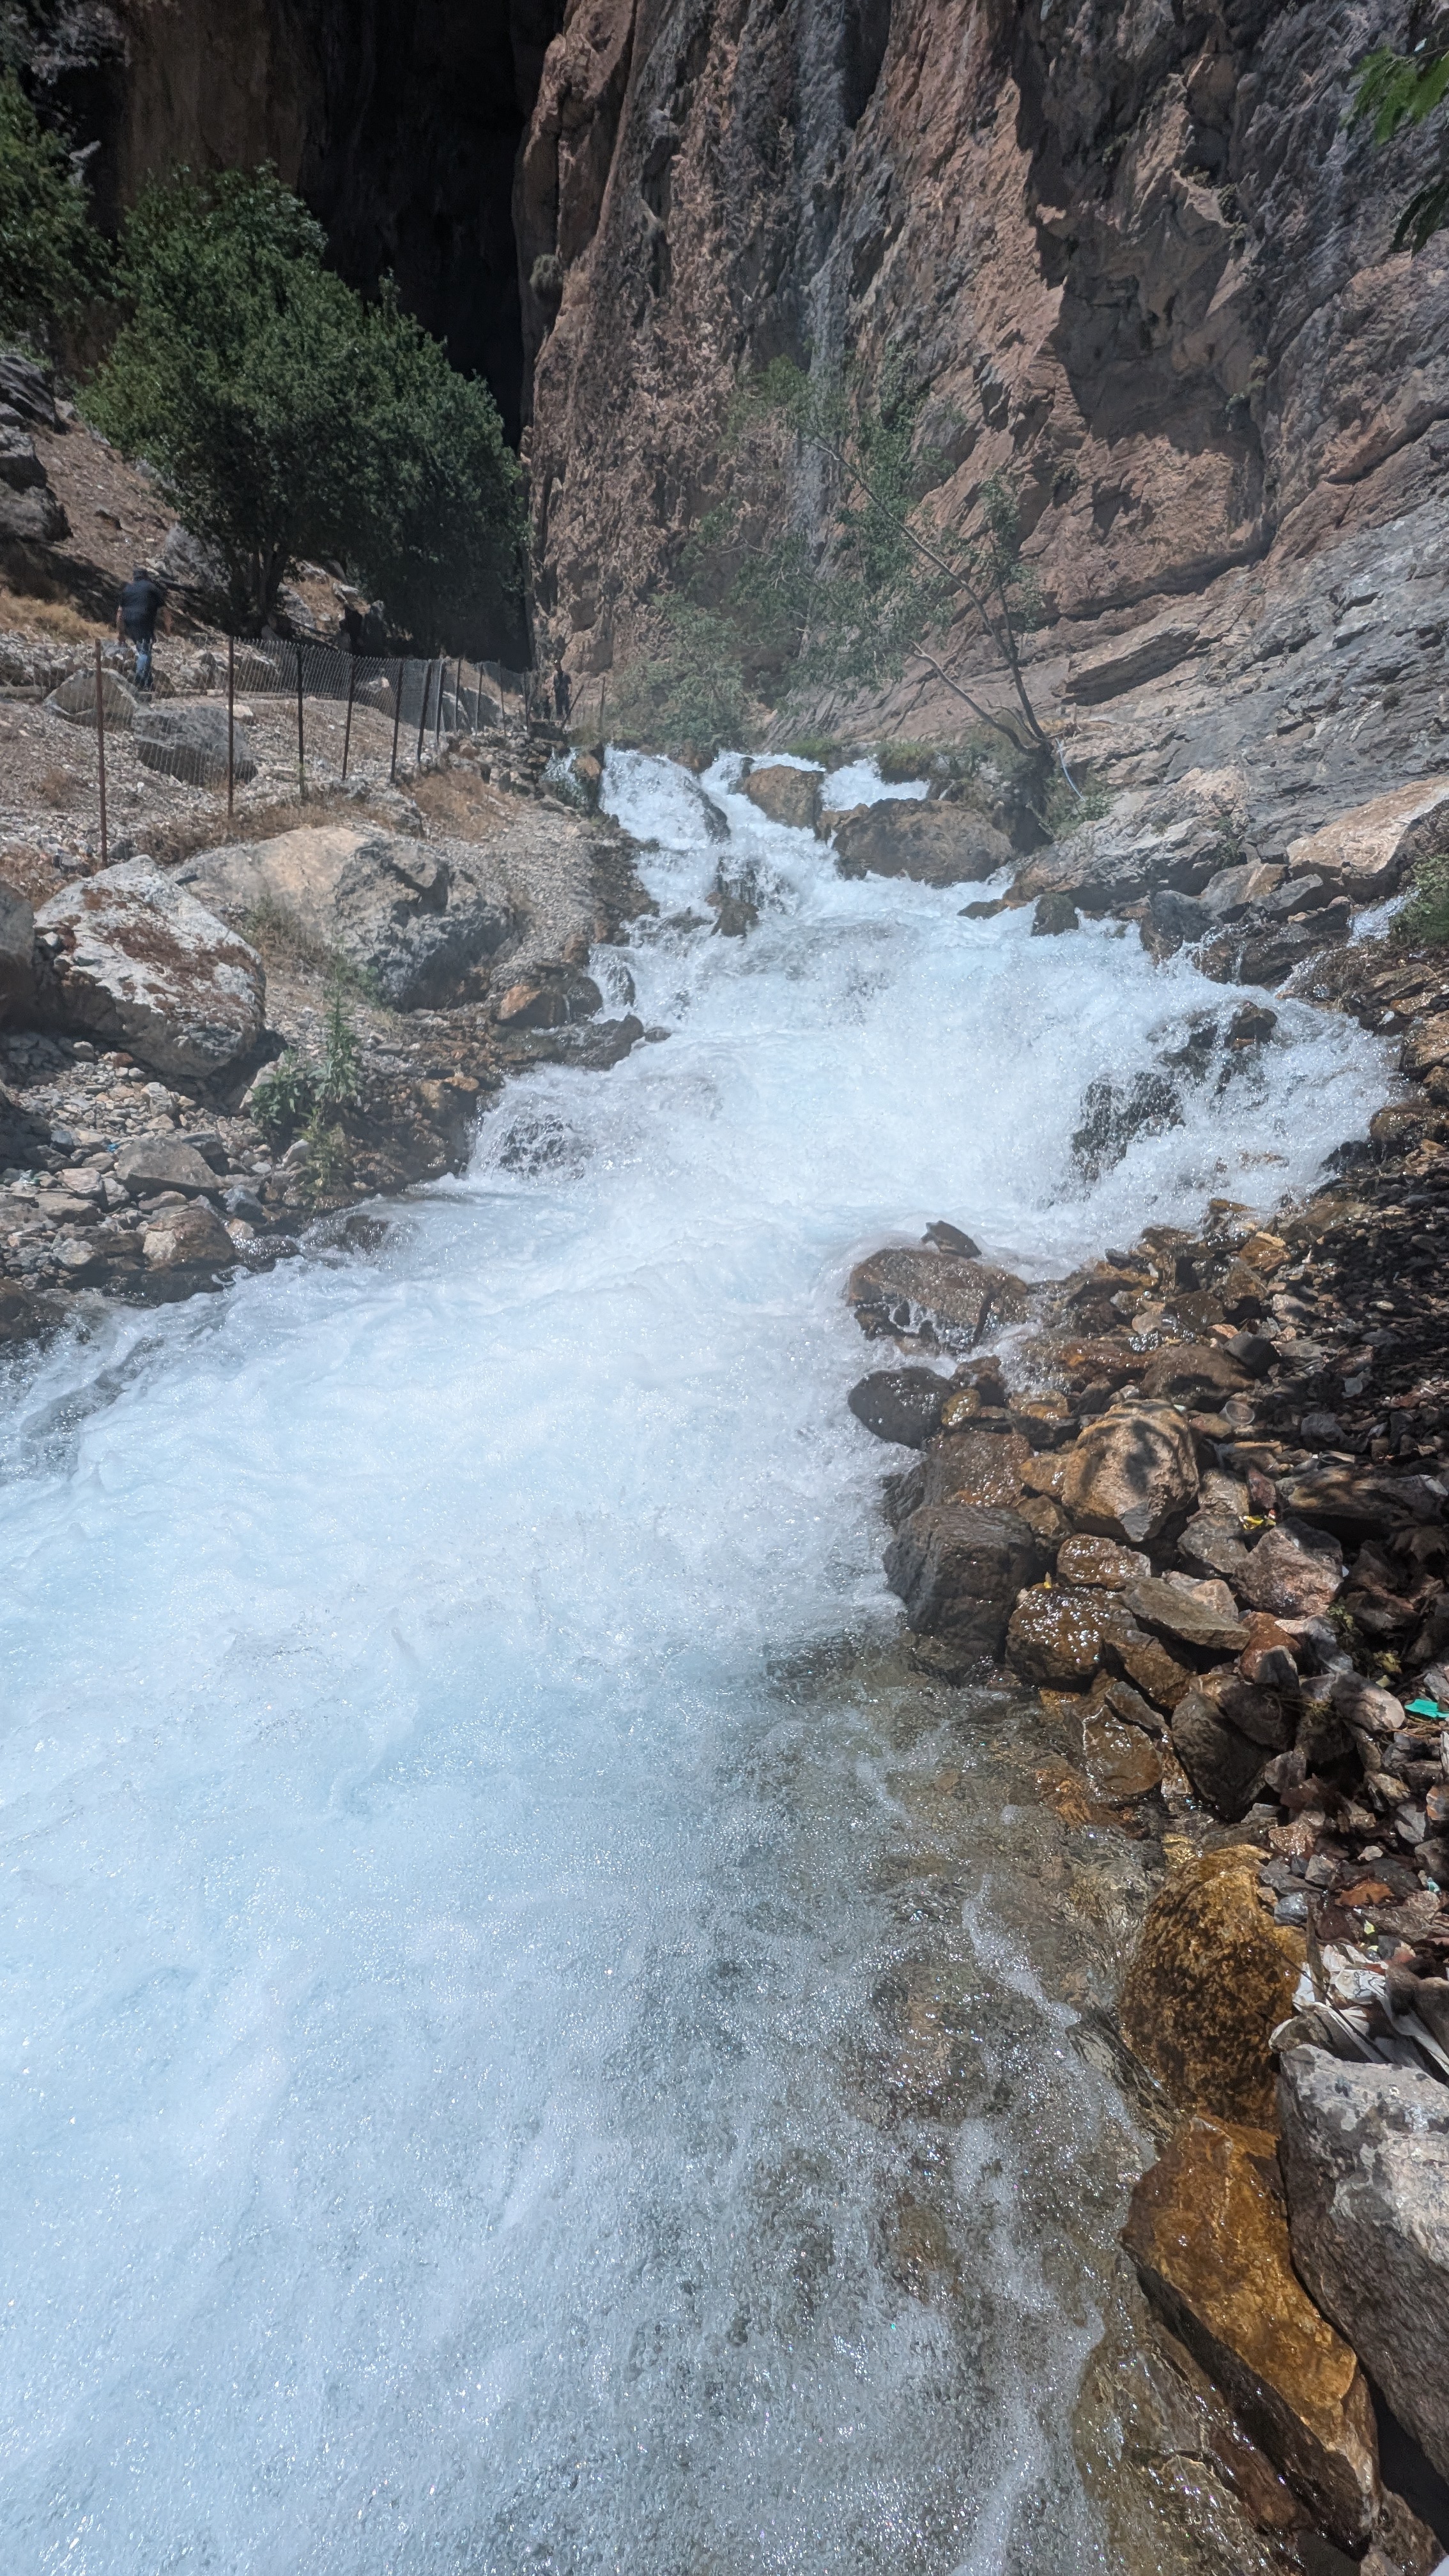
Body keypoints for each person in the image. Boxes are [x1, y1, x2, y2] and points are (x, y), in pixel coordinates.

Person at [116, 565, 167, 690]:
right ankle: (139, 681)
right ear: (146, 576)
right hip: (144, 622)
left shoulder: (127, 589)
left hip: (130, 624)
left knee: (144, 650)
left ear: (134, 577)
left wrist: (121, 633)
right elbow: (165, 610)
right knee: (144, 652)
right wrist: (168, 627)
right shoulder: (152, 588)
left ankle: (148, 684)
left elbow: (119, 613)